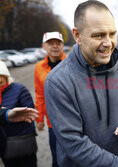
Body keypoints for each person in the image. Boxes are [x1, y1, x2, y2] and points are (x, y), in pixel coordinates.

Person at [44, 1, 118, 167]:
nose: (108, 43)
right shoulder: (57, 82)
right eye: (98, 35)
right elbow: (75, 144)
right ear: (77, 35)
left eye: (112, 34)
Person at [34, 31, 66, 167]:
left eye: (58, 43)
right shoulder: (39, 68)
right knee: (56, 157)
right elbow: (40, 95)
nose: (55, 46)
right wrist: (39, 119)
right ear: (43, 46)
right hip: (53, 122)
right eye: (50, 43)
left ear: (62, 45)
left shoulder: (73, 64)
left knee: (76, 156)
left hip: (74, 121)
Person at [0, 60, 38, 167]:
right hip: (3, 145)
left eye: (0, 75)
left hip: (20, 142)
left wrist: (7, 113)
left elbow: (30, 113)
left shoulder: (19, 89)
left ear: (6, 75)